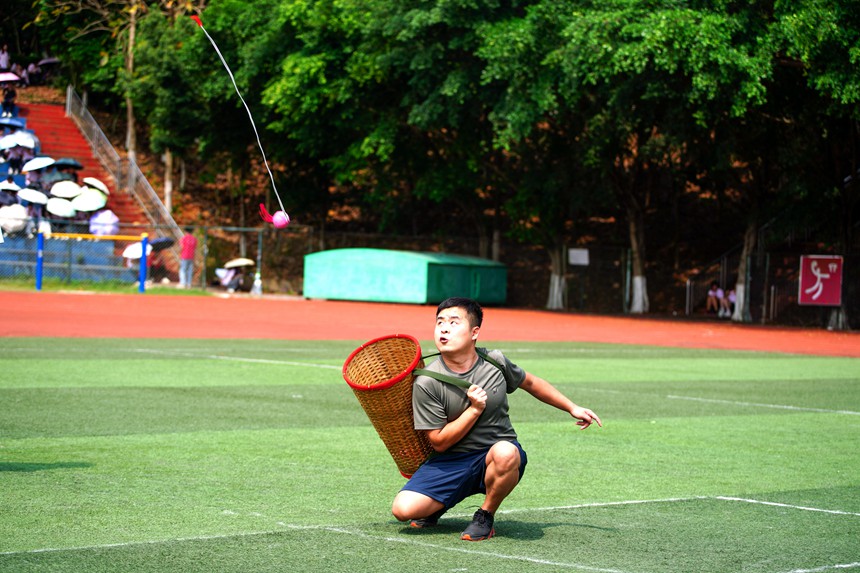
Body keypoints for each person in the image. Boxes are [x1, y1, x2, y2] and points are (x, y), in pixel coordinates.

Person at [391, 297, 602, 541]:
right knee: (403, 510)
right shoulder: (427, 381)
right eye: (440, 323)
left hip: (495, 455)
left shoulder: (495, 361)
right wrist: (474, 410)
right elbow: (439, 442)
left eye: (453, 322)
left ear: (474, 332)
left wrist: (571, 407)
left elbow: (530, 383)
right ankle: (441, 503)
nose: (444, 328)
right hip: (451, 459)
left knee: (506, 452)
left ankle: (485, 515)